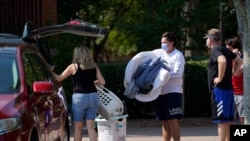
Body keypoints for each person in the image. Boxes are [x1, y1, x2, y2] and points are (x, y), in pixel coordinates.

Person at [54, 45, 106, 141]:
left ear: (77, 54)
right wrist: (92, 82)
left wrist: (49, 70)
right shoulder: (94, 65)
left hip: (79, 98)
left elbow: (59, 78)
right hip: (93, 97)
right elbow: (102, 82)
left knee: (78, 127)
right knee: (91, 127)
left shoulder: (74, 66)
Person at [204, 28, 243, 141]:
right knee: (229, 120)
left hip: (220, 90)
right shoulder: (225, 50)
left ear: (210, 39)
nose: (206, 41)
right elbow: (239, 61)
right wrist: (233, 73)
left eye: (207, 39)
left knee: (221, 120)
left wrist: (220, 77)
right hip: (229, 89)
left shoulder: (216, 49)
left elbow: (222, 61)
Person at [152, 32, 185, 141]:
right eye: (162, 42)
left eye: (165, 42)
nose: (163, 45)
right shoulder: (160, 54)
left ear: (172, 43)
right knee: (164, 120)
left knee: (172, 119)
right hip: (160, 91)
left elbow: (178, 73)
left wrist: (163, 76)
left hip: (173, 92)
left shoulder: (178, 55)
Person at [225, 36, 245, 124]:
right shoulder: (227, 58)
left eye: (228, 47)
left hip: (242, 93)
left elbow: (237, 73)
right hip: (230, 91)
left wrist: (238, 58)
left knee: (243, 118)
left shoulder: (243, 58)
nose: (226, 49)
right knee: (229, 118)